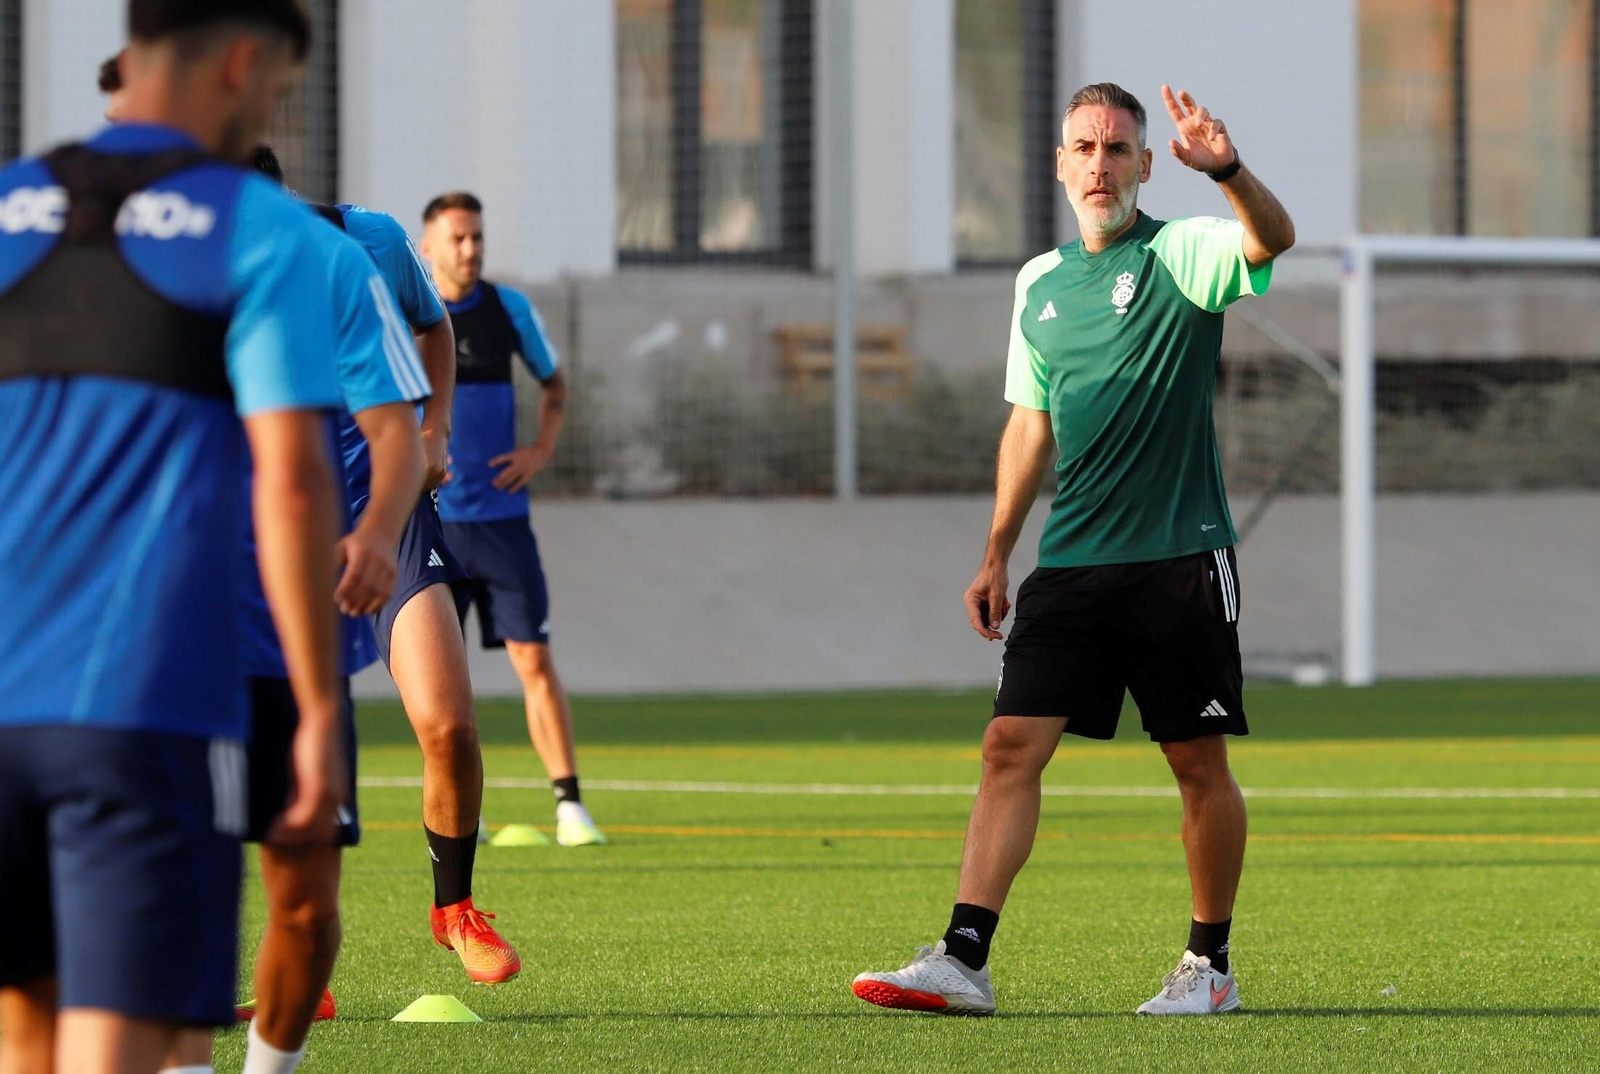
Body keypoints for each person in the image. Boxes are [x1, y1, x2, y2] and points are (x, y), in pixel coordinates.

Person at [851, 82, 1294, 1017]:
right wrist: (995, 552)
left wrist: (1229, 173)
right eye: (1084, 148)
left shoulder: (1181, 252)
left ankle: (1208, 967)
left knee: (1196, 766)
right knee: (1009, 746)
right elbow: (1029, 423)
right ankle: (964, 960)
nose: (1101, 165)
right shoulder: (1038, 282)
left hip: (1180, 561)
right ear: (1061, 166)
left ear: (1142, 164)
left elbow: (1270, 242)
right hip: (1073, 564)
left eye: (1118, 149)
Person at [0, 2, 349, 1071]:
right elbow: (290, 487)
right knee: (133, 1048)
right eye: (279, 93)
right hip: (142, 710)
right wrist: (322, 708)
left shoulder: (9, 203)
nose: (267, 116)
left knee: (23, 1033)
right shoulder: (262, 227)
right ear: (243, 63)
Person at [159, 143, 429, 1074]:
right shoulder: (134, 283)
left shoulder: (337, 267)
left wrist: (382, 529)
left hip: (292, 635)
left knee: (307, 908)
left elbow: (398, 428)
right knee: (170, 898)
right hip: (165, 638)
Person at [315, 193, 523, 983]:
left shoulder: (365, 240)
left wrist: (434, 429)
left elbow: (432, 323)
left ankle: (455, 910)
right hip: (271, 531)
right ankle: (292, 969)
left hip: (389, 510)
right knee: (286, 759)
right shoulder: (184, 272)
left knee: (449, 725)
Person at [419, 192, 605, 847]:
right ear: (427, 246)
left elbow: (555, 386)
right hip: (434, 525)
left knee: (534, 660)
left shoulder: (508, 310)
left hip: (501, 523)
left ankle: (571, 808)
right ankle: (459, 814)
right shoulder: (409, 312)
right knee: (440, 680)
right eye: (457, 239)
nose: (470, 251)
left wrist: (541, 450)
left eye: (477, 238)